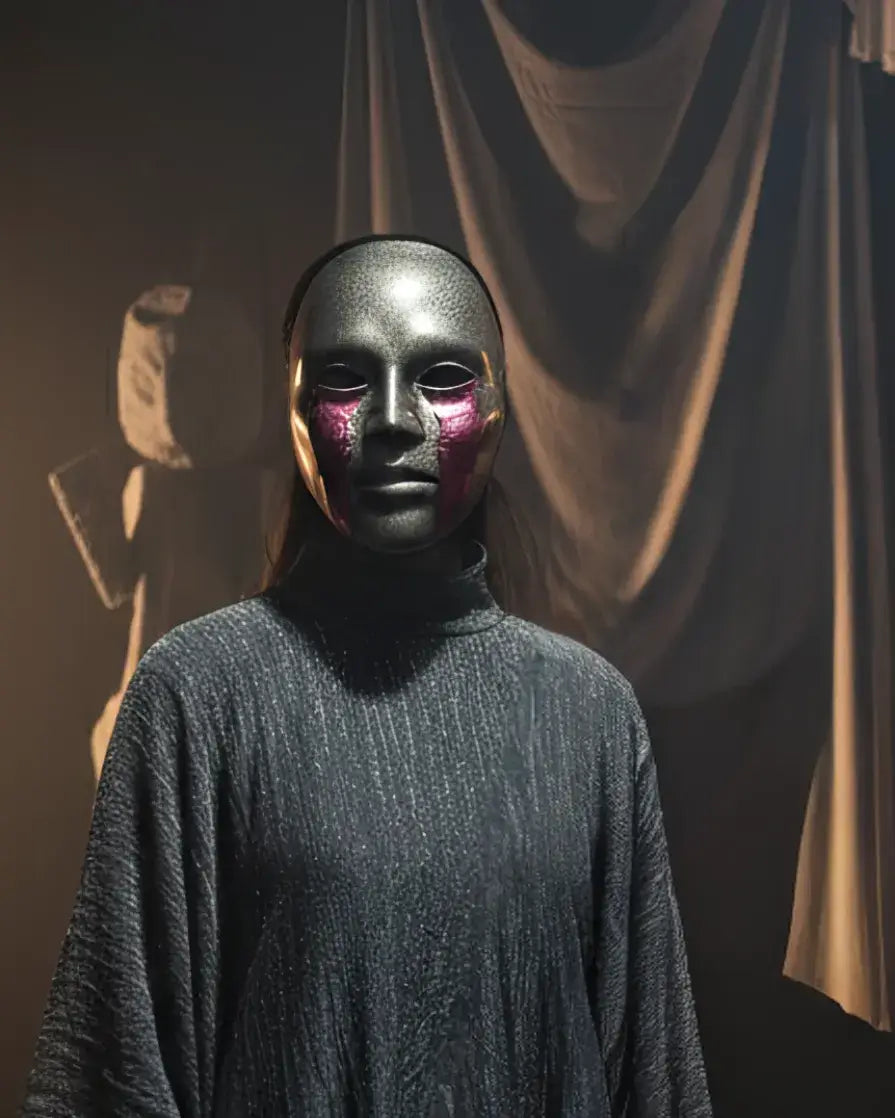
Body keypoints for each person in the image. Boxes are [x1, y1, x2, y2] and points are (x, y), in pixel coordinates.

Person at [23, 235, 712, 1117]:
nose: (392, 418)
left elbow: (651, 1077)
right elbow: (112, 1076)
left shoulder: (589, 715)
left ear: (498, 408)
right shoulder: (195, 696)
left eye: (442, 378)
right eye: (345, 377)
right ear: (293, 409)